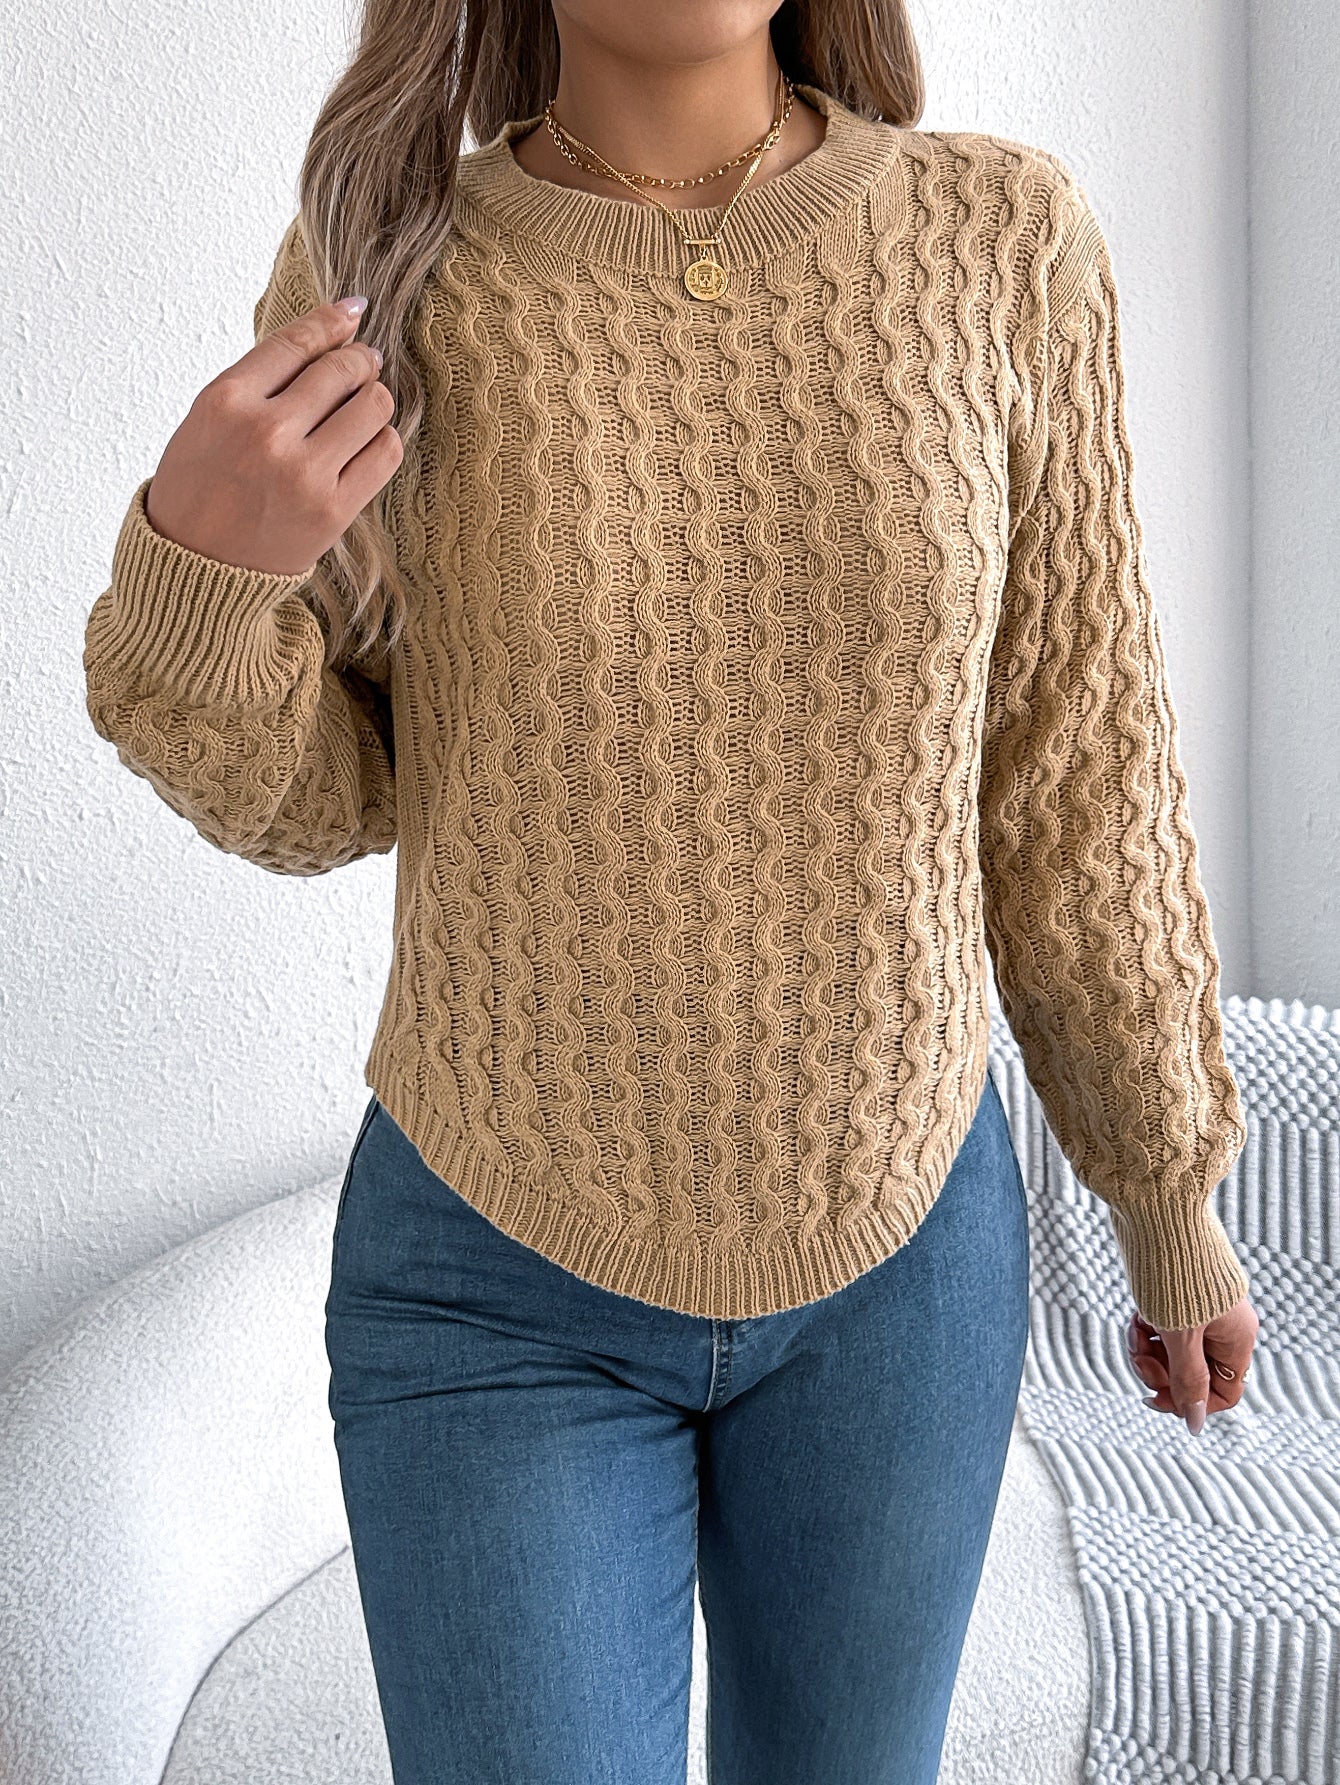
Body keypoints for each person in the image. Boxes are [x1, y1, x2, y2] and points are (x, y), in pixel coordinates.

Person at [81, 2, 1260, 1779]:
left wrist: (1167, 1189)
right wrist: (202, 579)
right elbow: (334, 798)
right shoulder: (392, 279)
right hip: (493, 1275)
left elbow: (1079, 775)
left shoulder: (1003, 243)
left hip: (902, 1266)